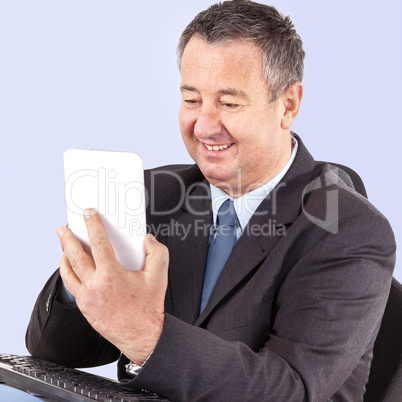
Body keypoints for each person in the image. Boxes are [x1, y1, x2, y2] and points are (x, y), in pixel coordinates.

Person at [26, 1, 396, 401]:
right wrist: (85, 279)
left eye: (228, 102)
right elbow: (54, 351)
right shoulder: (154, 195)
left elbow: (287, 390)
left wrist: (144, 334)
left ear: (287, 104)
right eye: (191, 99)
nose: (203, 125)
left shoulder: (349, 232)